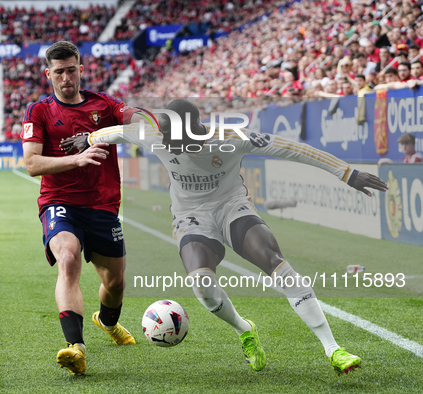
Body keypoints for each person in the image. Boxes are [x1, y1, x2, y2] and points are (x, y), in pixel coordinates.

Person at [62, 99, 388, 375]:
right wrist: (89, 139)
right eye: (168, 140)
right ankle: (245, 330)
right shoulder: (154, 135)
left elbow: (293, 149)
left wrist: (348, 173)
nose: (172, 147)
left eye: (179, 142)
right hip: (192, 221)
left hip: (233, 209)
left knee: (276, 264)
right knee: (202, 285)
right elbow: (115, 132)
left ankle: (333, 349)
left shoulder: (230, 137)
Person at [21, 41, 139, 376]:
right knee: (68, 259)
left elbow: (129, 114)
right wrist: (77, 157)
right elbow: (31, 163)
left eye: (71, 69)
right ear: (49, 74)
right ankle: (76, 347)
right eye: (59, 71)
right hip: (60, 203)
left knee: (115, 282)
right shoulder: (38, 111)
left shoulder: (103, 104)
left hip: (102, 204)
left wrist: (144, 120)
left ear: (81, 70)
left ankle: (108, 321)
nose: (66, 76)